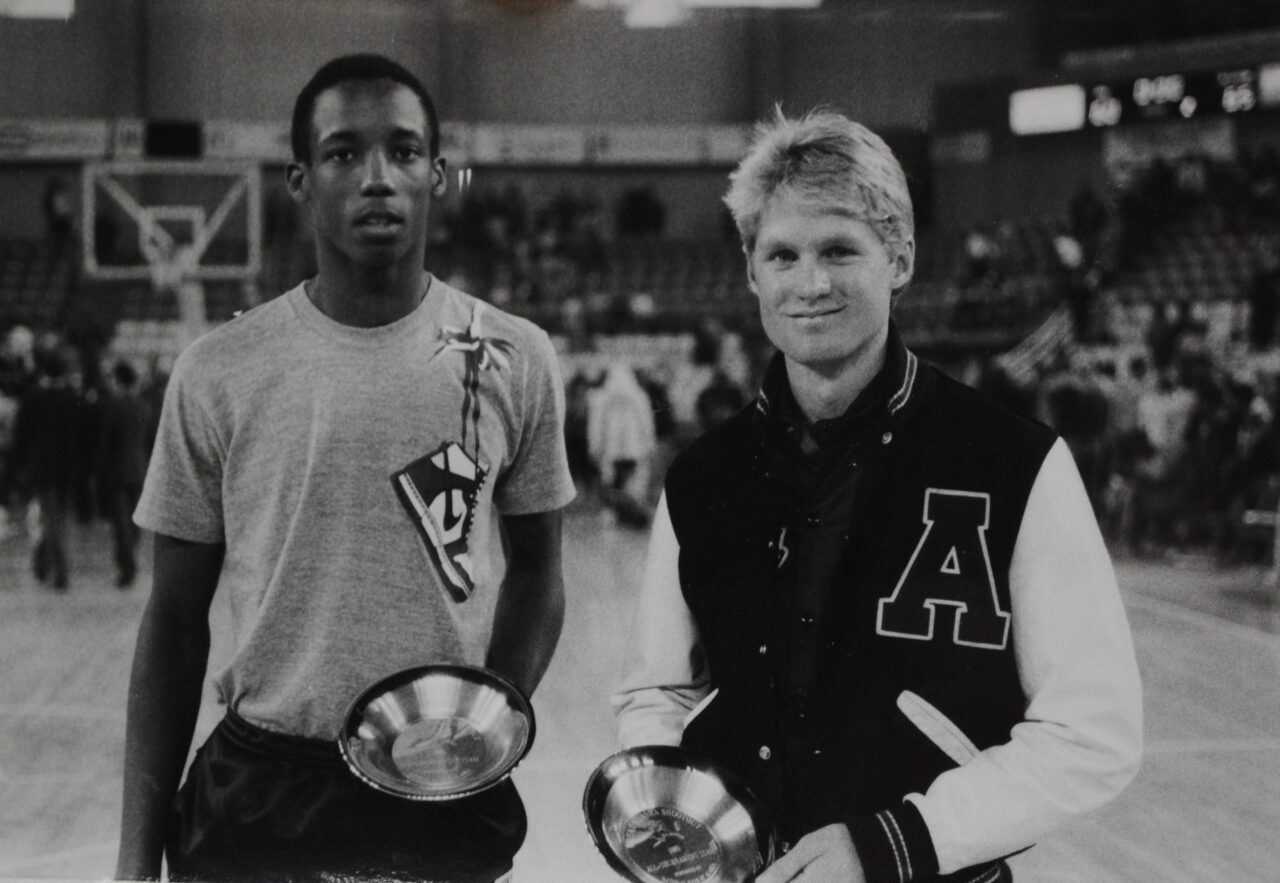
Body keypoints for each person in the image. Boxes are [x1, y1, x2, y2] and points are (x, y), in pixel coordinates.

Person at [613, 110, 1142, 883]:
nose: (810, 283)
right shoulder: (703, 475)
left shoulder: (1017, 462)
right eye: (782, 255)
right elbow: (658, 689)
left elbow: (1095, 730)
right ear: (751, 272)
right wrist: (668, 818)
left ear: (898, 257)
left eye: (839, 250)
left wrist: (896, 842)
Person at [115, 54, 575, 883]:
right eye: (342, 153)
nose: (376, 178)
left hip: (438, 791)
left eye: (403, 152)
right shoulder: (219, 368)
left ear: (438, 174)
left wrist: (486, 717)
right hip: (257, 792)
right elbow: (174, 622)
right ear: (300, 179)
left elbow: (540, 568)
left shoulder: (516, 356)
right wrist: (130, 862)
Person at [12, 347, 82, 590]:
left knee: (48, 519)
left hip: (41, 469)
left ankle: (52, 567)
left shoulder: (32, 397)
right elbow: (83, 437)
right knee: (61, 520)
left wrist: (20, 467)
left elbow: (21, 436)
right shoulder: (73, 397)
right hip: (68, 470)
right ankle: (50, 566)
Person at [95, 360, 154, 587]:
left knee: (120, 523)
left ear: (118, 381)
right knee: (133, 521)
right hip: (139, 470)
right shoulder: (145, 407)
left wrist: (99, 472)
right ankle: (130, 559)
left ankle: (127, 567)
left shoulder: (113, 407)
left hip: (117, 472)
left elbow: (106, 444)